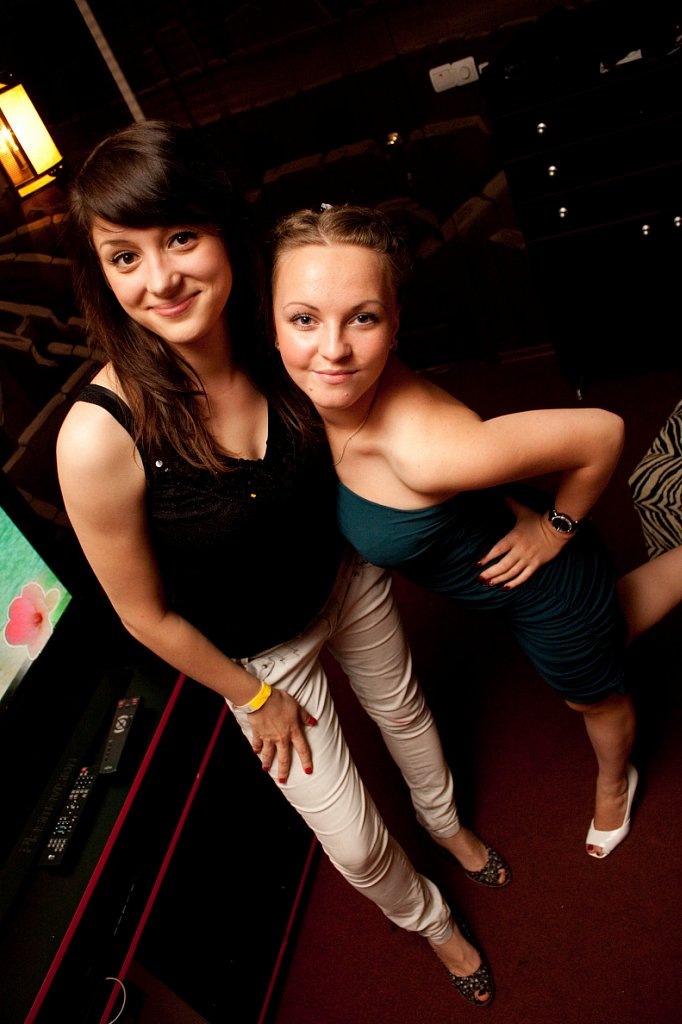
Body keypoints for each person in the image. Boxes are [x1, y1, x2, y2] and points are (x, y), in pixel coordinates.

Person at [54, 121, 507, 1008]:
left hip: (344, 579)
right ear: (100, 273)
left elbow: (400, 407)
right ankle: (432, 923)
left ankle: (448, 824)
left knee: (406, 715)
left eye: (181, 237)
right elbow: (142, 614)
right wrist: (252, 696)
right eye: (124, 256)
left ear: (225, 232)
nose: (160, 279)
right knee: (354, 843)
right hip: (259, 661)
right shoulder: (96, 438)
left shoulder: (280, 331)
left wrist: (506, 489)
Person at [270, 203, 682, 861]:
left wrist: (555, 532)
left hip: (546, 589)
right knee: (619, 614)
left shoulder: (433, 451)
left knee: (594, 695)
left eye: (363, 318)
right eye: (304, 319)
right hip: (499, 554)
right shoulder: (317, 389)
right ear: (272, 323)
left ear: (395, 322)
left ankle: (615, 782)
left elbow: (603, 431)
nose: (333, 349)